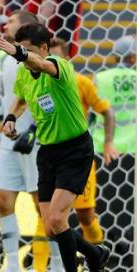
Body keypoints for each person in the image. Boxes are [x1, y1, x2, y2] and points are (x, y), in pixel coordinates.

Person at [0, 23, 110, 272]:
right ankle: (96, 254)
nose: (26, 57)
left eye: (32, 50)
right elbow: (21, 98)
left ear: (44, 49)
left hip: (75, 149)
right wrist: (11, 117)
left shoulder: (59, 66)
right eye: (22, 51)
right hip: (47, 151)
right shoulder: (25, 73)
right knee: (50, 226)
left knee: (59, 219)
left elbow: (41, 65)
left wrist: (21, 53)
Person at [0, 10, 63, 272]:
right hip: (10, 138)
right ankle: (12, 267)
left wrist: (37, 129)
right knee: (3, 200)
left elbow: (51, 95)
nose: (7, 24)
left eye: (12, 21)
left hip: (37, 140)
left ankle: (59, 269)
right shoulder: (6, 59)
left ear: (28, 27)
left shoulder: (39, 61)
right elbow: (13, 98)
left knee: (45, 207)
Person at [48, 37, 119, 247]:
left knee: (85, 216)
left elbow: (107, 111)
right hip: (50, 155)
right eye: (49, 58)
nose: (53, 63)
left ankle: (97, 263)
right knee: (45, 212)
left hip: (78, 157)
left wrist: (108, 143)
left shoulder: (81, 83)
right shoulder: (39, 84)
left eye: (57, 58)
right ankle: (43, 269)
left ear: (68, 59)